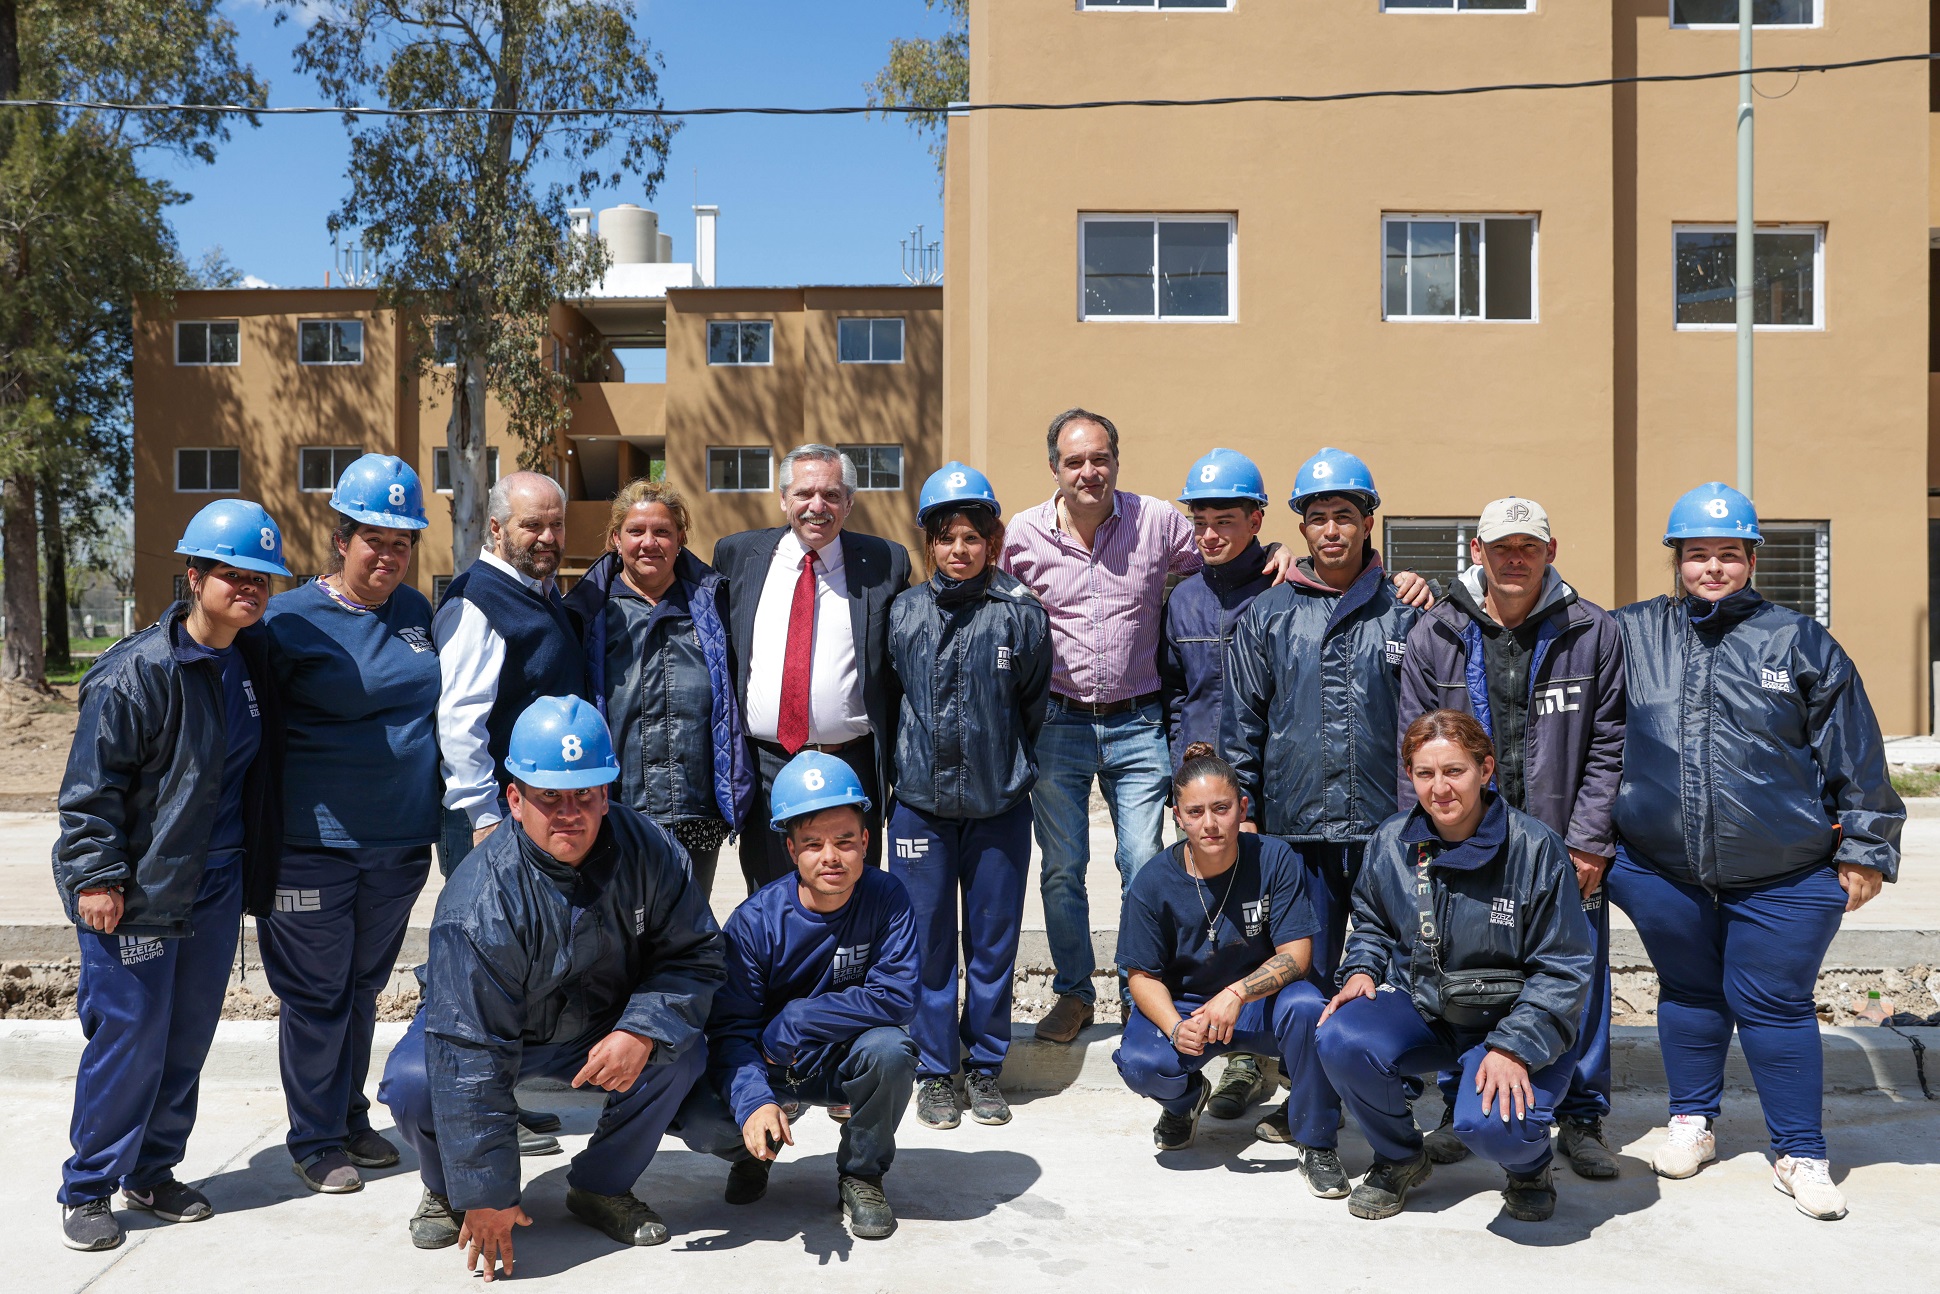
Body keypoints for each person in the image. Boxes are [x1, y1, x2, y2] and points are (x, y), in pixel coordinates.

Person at [1606, 482, 1904, 1221]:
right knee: (1689, 994)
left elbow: (1855, 751)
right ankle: (1692, 1123)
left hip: (1784, 874)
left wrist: (1865, 845)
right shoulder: (1628, 634)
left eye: (1729, 555)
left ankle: (1800, 1153)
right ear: (1676, 560)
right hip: (1660, 870)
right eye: (1698, 554)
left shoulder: (1799, 641)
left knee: (1774, 1007)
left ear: (1750, 558)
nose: (1713, 568)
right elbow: (1533, 620)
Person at [377, 696, 723, 1270]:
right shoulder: (479, 903)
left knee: (677, 1055)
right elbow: (469, 1050)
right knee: (417, 1081)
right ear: (515, 800)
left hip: (596, 1026)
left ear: (606, 793)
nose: (570, 812)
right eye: (549, 798)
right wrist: (487, 1192)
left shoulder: (652, 851)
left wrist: (641, 1029)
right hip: (492, 1031)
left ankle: (600, 1185)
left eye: (585, 794)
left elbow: (695, 955)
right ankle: (447, 1188)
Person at [1003, 410, 1304, 1045]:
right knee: (1062, 866)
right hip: (1058, 721)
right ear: (1054, 468)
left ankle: (1144, 989)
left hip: (1139, 721)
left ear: (1116, 458)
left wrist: (1277, 551)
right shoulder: (1022, 535)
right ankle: (1075, 993)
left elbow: (1227, 550)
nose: (1090, 472)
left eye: (1100, 458)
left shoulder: (1159, 521)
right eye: (1075, 461)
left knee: (1142, 860)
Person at [52, 500, 289, 1253]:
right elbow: (91, 792)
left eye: (261, 579)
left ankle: (153, 1171)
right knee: (130, 1038)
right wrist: (97, 877)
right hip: (140, 890)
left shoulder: (247, 663)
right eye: (232, 575)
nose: (248, 589)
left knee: (186, 1036)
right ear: (194, 577)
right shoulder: (134, 675)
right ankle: (88, 1186)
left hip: (216, 884)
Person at [1397, 496, 1626, 1179]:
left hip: (1561, 845)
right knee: (1460, 974)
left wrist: (1588, 839)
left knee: (1576, 974)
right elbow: (1411, 745)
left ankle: (1581, 1115)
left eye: (1529, 546)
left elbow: (1609, 744)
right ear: (1478, 552)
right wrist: (1426, 840)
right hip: (1466, 844)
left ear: (1551, 552)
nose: (1515, 558)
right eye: (1502, 547)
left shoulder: (1591, 632)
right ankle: (1460, 1103)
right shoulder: (1434, 634)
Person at [1222, 447, 1432, 1141]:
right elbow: (1241, 724)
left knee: (1388, 970)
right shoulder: (1268, 615)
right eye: (1318, 518)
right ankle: (1309, 1100)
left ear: (1368, 522)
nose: (1332, 530)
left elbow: (1434, 722)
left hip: (1388, 832)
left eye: (1345, 515)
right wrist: (1245, 815)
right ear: (1303, 530)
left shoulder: (1406, 611)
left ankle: (1384, 1093)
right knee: (1303, 973)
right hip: (1297, 828)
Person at [1317, 709, 1593, 1224]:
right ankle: (1400, 1156)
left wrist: (1514, 1046)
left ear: (1486, 771)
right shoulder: (1392, 842)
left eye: (1454, 771)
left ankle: (1530, 1166)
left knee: (1489, 1126)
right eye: (1425, 774)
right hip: (1430, 1011)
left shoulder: (1535, 848)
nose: (1439, 788)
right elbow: (1372, 922)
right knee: (1340, 1036)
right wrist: (1361, 969)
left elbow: (1565, 967)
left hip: (1513, 1023)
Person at [259, 455, 441, 1195]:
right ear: (342, 540)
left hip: (399, 844)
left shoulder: (417, 615)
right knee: (316, 996)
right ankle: (313, 1137)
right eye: (375, 539)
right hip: (315, 846)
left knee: (363, 990)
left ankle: (350, 1113)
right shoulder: (288, 620)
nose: (389, 555)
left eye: (402, 542)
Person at [675, 752, 920, 1240]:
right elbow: (730, 1030)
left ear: (866, 842)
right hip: (768, 1059)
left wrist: (801, 1018)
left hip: (840, 1059)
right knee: (697, 1115)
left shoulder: (888, 897)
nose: (831, 856)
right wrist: (753, 1102)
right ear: (791, 850)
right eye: (813, 844)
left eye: (845, 841)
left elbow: (895, 998)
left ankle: (861, 1174)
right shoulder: (756, 922)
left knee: (891, 1051)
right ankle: (756, 1148)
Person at [887, 463, 1052, 1132]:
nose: (960, 549)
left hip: (999, 807)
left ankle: (984, 1065)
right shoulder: (902, 614)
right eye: (947, 537)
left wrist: (1003, 764)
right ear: (929, 543)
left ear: (992, 541)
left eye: (972, 537)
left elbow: (1032, 706)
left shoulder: (1021, 614)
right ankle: (934, 1071)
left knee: (991, 943)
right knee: (926, 944)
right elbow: (887, 694)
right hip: (920, 807)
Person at [1113, 744, 1346, 1197]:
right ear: (1178, 817)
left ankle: (1317, 1141)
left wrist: (1238, 993)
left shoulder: (1274, 857)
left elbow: (1298, 956)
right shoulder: (1153, 881)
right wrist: (1175, 1026)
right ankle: (1184, 1102)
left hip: (1258, 1006)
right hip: (1190, 1007)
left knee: (1307, 1007)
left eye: (1221, 808)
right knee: (1141, 1063)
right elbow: (1141, 976)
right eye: (1195, 812)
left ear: (1241, 808)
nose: (1210, 823)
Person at [433, 470, 586, 1153]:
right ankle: (479, 1116)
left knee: (518, 975)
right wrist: (483, 818)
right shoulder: (479, 602)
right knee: (485, 977)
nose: (548, 537)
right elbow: (461, 722)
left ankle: (504, 1103)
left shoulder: (541, 597)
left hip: (529, 825)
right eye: (533, 525)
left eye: (556, 524)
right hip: (492, 825)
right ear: (496, 529)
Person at [713, 444, 912, 890]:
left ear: (849, 502)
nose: (816, 507)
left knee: (851, 891)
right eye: (804, 494)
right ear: (784, 498)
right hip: (766, 764)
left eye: (832, 495)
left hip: (851, 763)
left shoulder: (886, 562)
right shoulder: (737, 555)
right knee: (770, 895)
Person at [1157, 448, 1280, 1120]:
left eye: (1224, 518)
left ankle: (1249, 1057)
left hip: (1264, 788)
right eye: (1199, 519)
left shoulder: (1281, 590)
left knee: (1257, 921)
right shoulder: (1183, 601)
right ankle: (1197, 1038)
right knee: (1209, 920)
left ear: (1256, 518)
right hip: (1202, 792)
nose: (1209, 532)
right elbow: (1177, 694)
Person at [564, 478, 753, 898]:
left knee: (687, 930)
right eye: (636, 531)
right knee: (620, 933)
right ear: (616, 538)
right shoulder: (586, 613)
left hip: (697, 806)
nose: (649, 543)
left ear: (681, 538)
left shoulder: (715, 602)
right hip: (617, 805)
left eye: (663, 531)